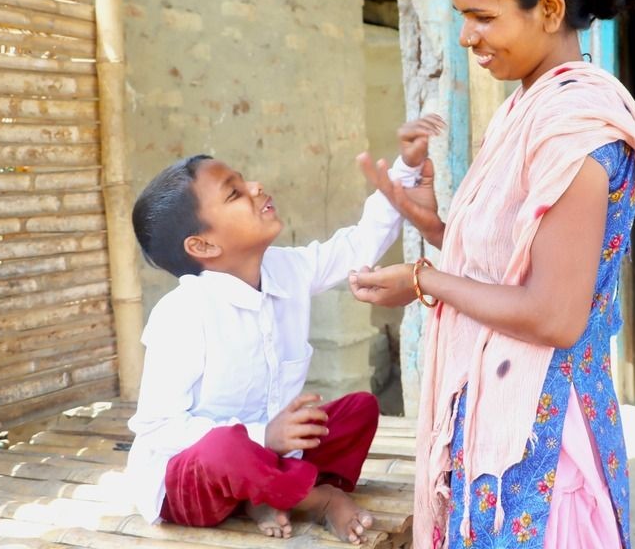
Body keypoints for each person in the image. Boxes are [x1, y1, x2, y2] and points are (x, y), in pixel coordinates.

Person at [348, 0, 635, 547]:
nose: (468, 35)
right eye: (463, 16)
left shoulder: (574, 130)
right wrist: (434, 223)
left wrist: (422, 280)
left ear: (548, 9)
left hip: (544, 443)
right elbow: (516, 264)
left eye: (482, 16)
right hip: (501, 414)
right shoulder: (530, 108)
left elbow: (552, 315)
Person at [124, 117, 440, 544]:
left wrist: (403, 171)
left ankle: (268, 494)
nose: (256, 187)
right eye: (234, 192)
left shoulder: (286, 270)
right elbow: (159, 430)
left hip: (269, 458)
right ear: (203, 246)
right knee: (226, 448)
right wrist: (263, 436)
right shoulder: (182, 314)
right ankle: (318, 499)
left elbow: (357, 245)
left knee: (359, 410)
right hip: (192, 483)